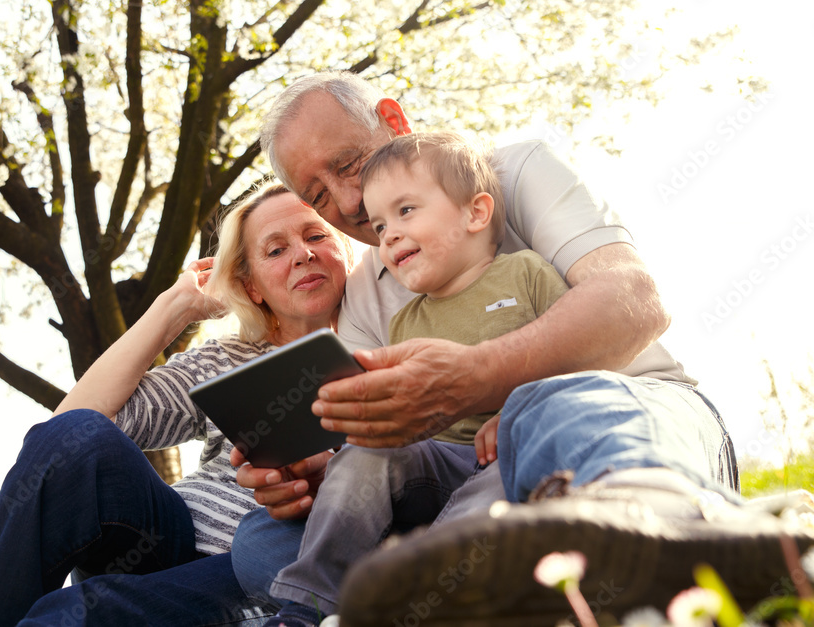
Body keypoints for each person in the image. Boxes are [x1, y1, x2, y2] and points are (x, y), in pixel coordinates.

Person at [231, 71, 810, 624]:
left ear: (393, 118)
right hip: (473, 475)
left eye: (348, 164)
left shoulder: (513, 172)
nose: (349, 201)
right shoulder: (363, 295)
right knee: (261, 542)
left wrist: (478, 377)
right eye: (319, 196)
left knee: (562, 403)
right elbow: (390, 445)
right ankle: (474, 585)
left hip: (630, 411)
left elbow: (632, 298)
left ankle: (665, 533)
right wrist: (314, 472)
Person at [0, 182, 353, 627]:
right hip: (166, 540)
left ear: (345, 251)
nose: (302, 253)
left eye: (316, 236)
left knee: (69, 616)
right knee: (77, 438)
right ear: (252, 287)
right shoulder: (228, 358)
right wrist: (173, 308)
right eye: (275, 250)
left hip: (254, 571)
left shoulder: (397, 355)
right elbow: (71, 433)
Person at [258, 131, 570, 627]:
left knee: (501, 480)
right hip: (436, 459)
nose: (389, 235)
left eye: (406, 212)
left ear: (476, 213)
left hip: (513, 453)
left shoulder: (527, 275)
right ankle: (306, 606)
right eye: (380, 226)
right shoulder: (402, 324)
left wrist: (520, 412)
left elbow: (575, 363)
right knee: (365, 457)